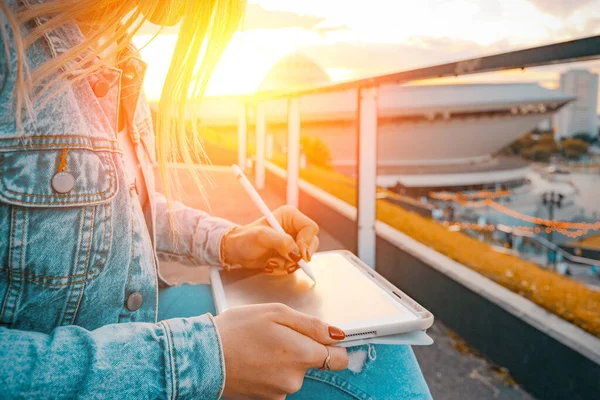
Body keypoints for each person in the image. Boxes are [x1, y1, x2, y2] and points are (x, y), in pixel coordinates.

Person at [0, 1, 432, 398]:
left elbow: (129, 211)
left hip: (141, 313)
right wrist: (200, 359)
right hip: (95, 356)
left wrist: (230, 241)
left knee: (370, 341)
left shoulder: (120, 54)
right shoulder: (10, 43)